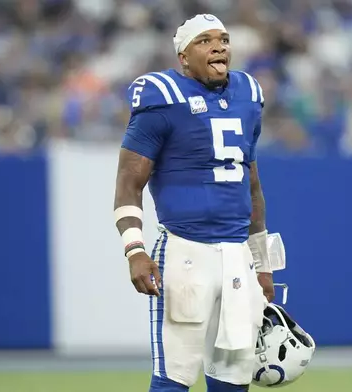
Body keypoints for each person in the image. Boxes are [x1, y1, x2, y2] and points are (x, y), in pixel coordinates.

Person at [112, 14, 275, 392]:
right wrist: (134, 250)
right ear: (183, 57)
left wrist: (263, 263)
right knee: (174, 379)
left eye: (223, 39)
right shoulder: (162, 97)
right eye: (205, 41)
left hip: (237, 257)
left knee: (233, 381)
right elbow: (127, 183)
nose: (218, 46)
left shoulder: (248, 94)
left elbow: (251, 186)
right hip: (186, 253)